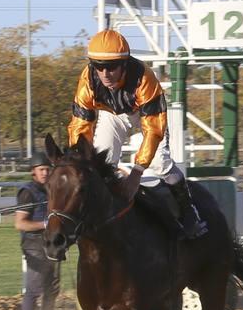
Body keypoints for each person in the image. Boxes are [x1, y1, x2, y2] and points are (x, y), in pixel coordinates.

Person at [67, 29, 206, 239]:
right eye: (99, 67)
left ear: (124, 63)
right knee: (97, 165)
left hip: (145, 116)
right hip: (112, 115)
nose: (105, 74)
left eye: (111, 67)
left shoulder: (144, 78)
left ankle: (189, 213)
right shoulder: (87, 79)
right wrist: (79, 159)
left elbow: (153, 130)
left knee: (160, 163)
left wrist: (136, 174)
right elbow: (80, 125)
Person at [15, 152, 60, 310]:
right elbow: (20, 224)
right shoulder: (28, 192)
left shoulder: (53, 190)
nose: (45, 173)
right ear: (33, 172)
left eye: (48, 169)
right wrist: (45, 224)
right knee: (34, 288)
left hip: (53, 244)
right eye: (41, 170)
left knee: (53, 288)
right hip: (34, 244)